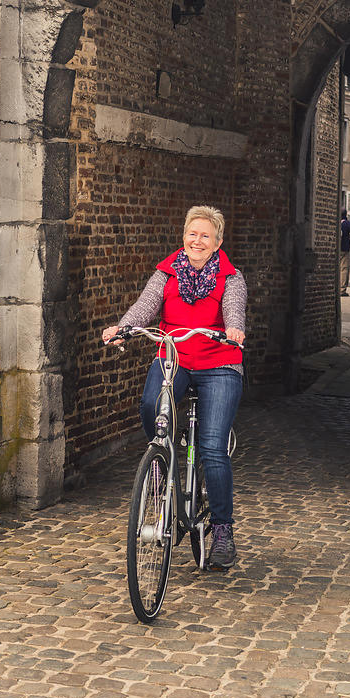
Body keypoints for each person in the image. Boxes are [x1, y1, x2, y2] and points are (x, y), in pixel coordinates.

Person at [104, 206, 247, 570]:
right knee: (151, 405)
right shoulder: (166, 273)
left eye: (205, 236)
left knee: (212, 448)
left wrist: (233, 329)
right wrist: (123, 328)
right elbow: (144, 308)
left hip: (219, 364)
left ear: (218, 243)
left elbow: (234, 310)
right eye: (191, 233)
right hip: (174, 358)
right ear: (184, 236)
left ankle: (222, 530)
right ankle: (161, 462)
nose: (196, 241)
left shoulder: (230, 279)